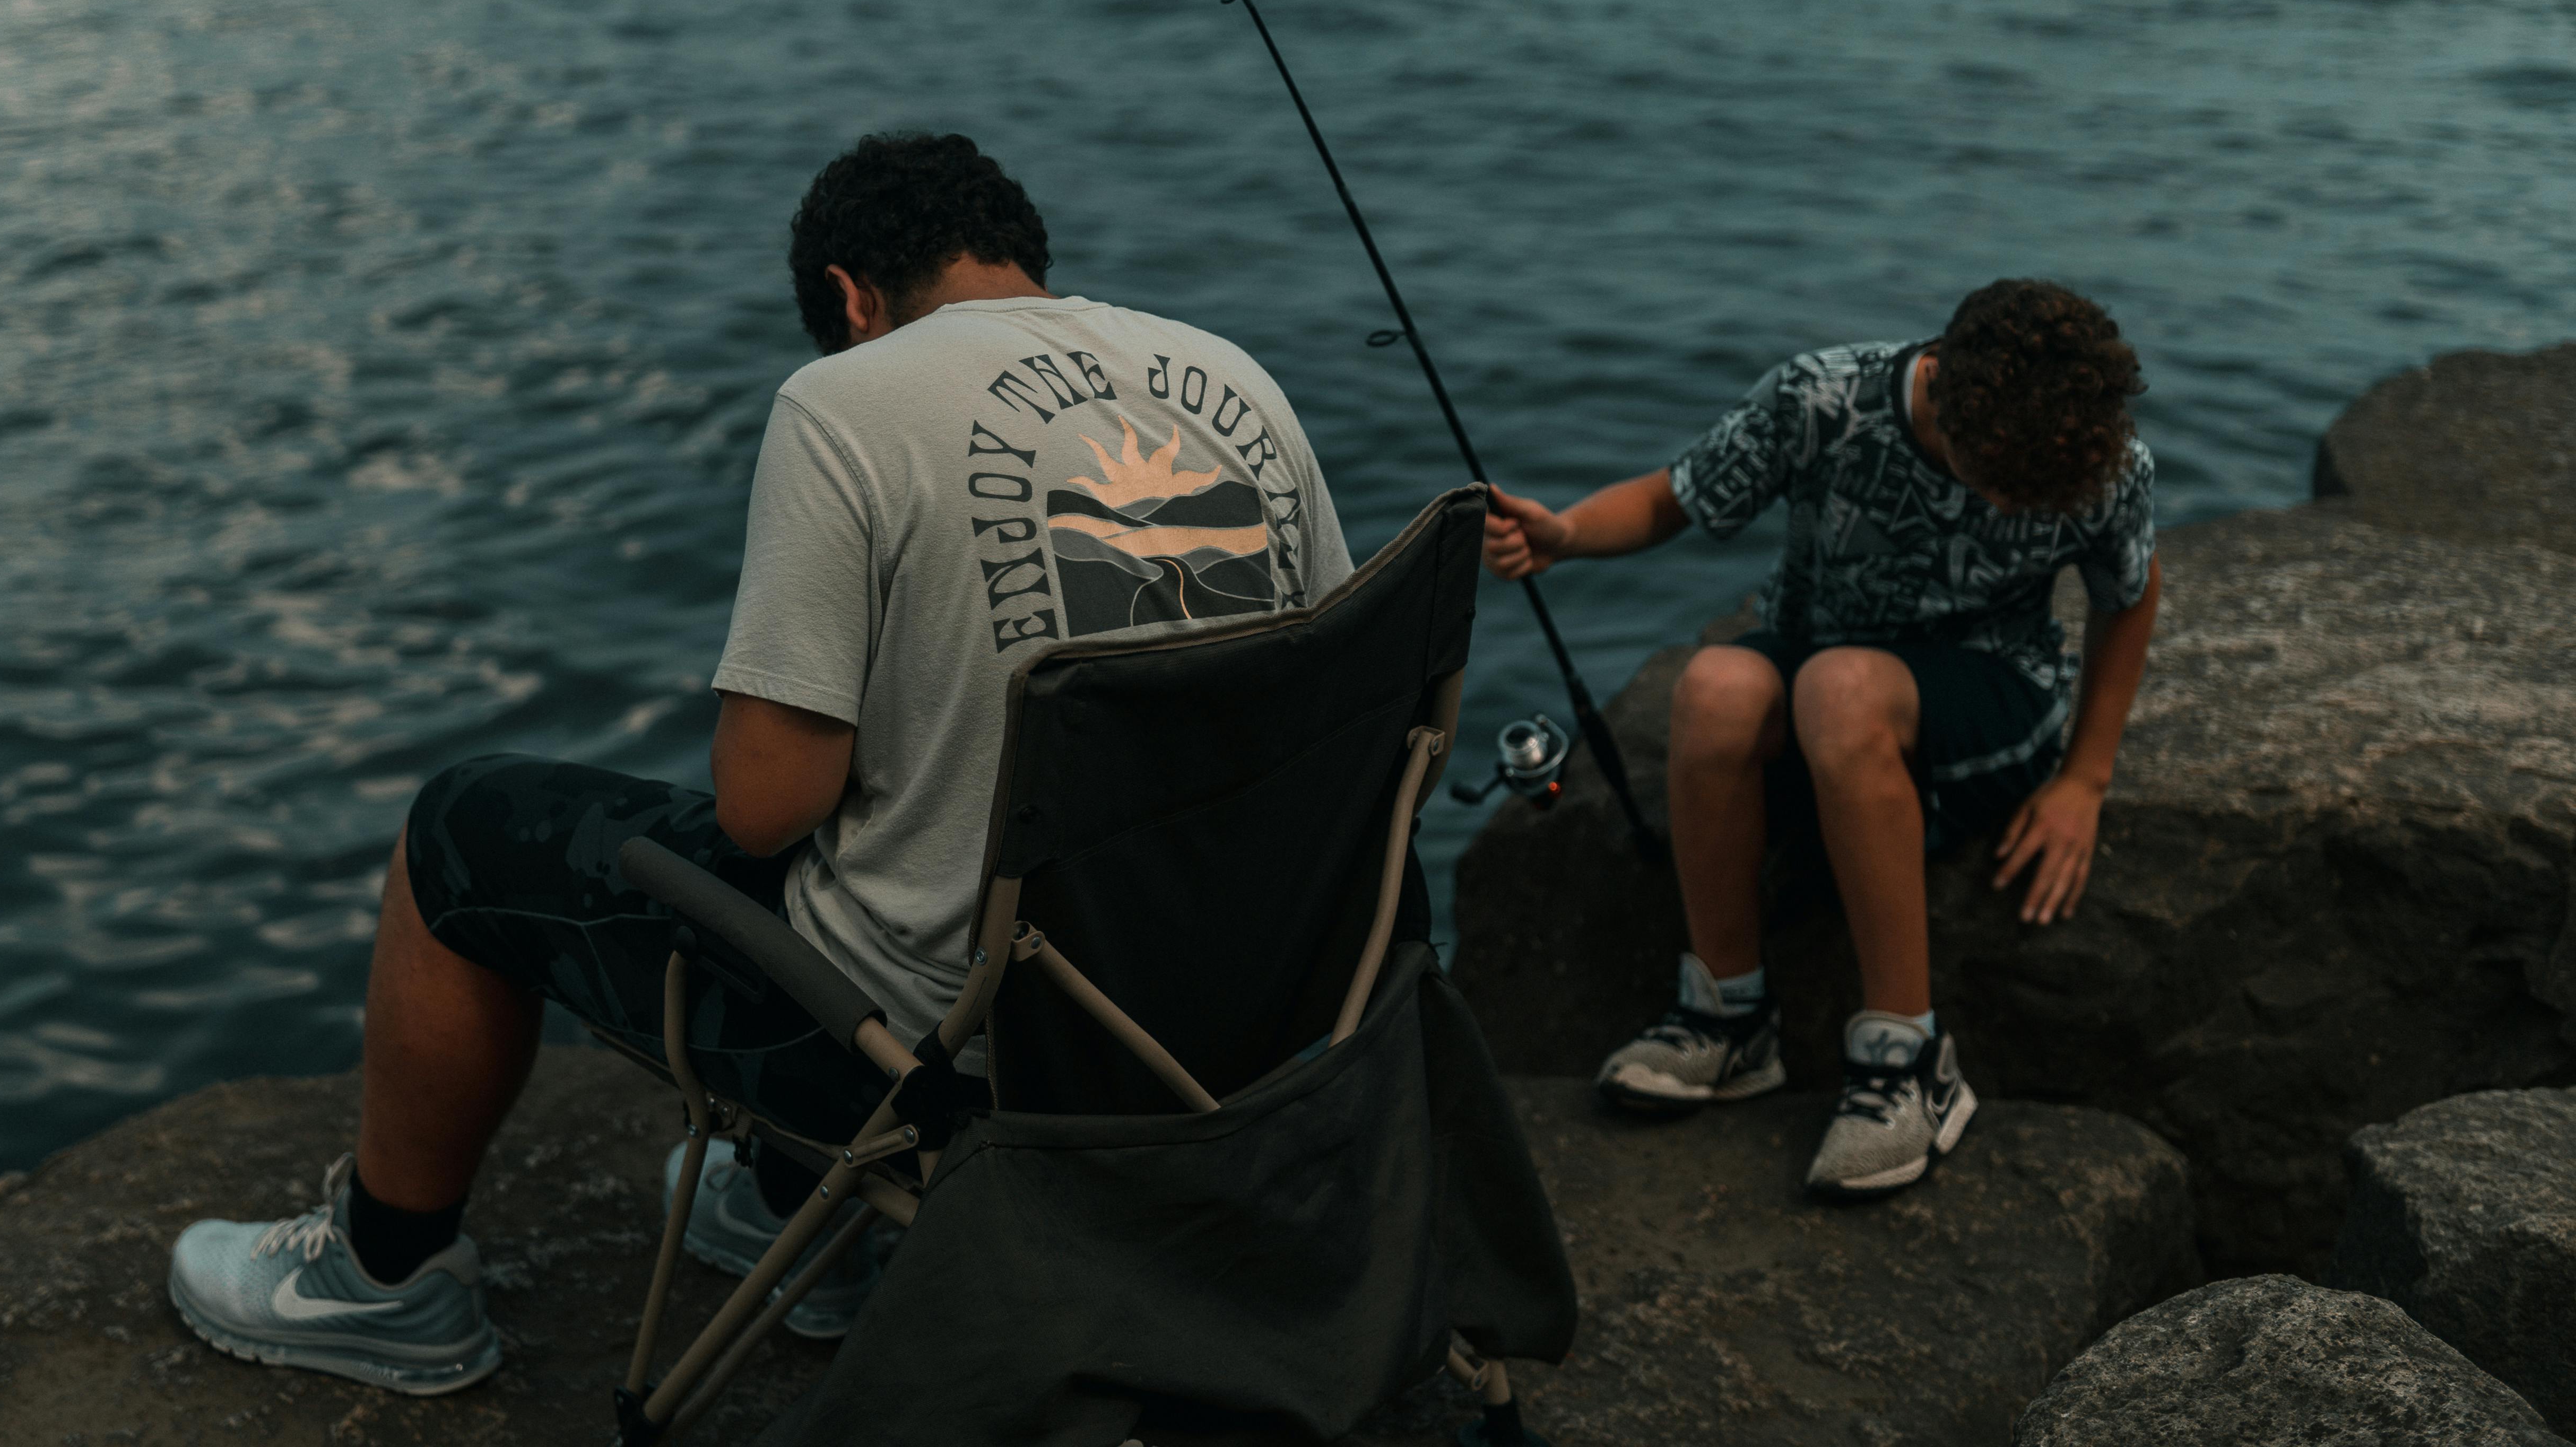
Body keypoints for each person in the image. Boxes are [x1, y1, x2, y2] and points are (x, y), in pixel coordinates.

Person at [165, 132, 1351, 1392]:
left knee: (460, 828)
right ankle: (801, 1213)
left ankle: (387, 1279)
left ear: (849, 297)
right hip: (1223, 1026)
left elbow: (766, 806)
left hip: (971, 1061)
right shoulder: (1233, 375)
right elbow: (1340, 721)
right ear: (1021, 254)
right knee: (907, 830)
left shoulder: (848, 401)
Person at [1484, 280, 2157, 1200]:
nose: (2019, 501)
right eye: (1998, 479)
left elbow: (2129, 594)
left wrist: (2086, 776)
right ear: (1943, 399)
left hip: (1987, 694)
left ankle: (1907, 1057)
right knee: (1716, 687)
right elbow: (1674, 498)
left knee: (1840, 692)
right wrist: (1564, 532)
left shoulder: (2091, 449)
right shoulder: (1821, 399)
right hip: (1820, 673)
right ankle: (1728, 1016)